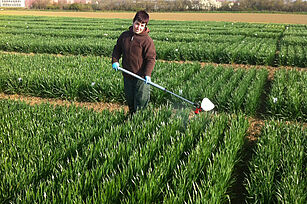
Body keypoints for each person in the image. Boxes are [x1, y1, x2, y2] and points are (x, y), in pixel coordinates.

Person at [112, 10, 156, 115]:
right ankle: (132, 118)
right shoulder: (125, 36)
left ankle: (140, 121)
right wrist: (115, 61)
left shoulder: (147, 41)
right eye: (137, 23)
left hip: (141, 78)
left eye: (142, 25)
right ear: (133, 22)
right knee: (130, 100)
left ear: (145, 26)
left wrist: (147, 74)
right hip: (127, 75)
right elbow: (117, 49)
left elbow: (151, 58)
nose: (138, 27)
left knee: (140, 102)